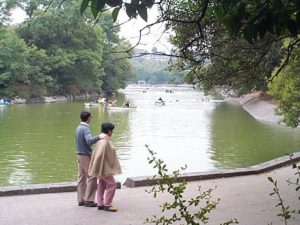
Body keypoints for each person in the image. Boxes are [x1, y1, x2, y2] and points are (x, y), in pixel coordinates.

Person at [88, 122, 122, 212]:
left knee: (102, 185)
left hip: (102, 167)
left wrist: (96, 167)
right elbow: (99, 156)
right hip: (104, 168)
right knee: (112, 185)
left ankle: (100, 204)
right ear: (109, 131)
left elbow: (97, 155)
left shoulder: (102, 140)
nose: (112, 132)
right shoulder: (104, 141)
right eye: (112, 131)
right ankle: (107, 204)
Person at [75, 111, 102, 207]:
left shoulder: (78, 128)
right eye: (91, 117)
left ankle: (81, 199)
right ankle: (89, 200)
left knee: (81, 178)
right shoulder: (85, 129)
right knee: (92, 176)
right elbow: (89, 141)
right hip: (85, 155)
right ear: (88, 118)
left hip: (79, 154)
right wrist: (99, 137)